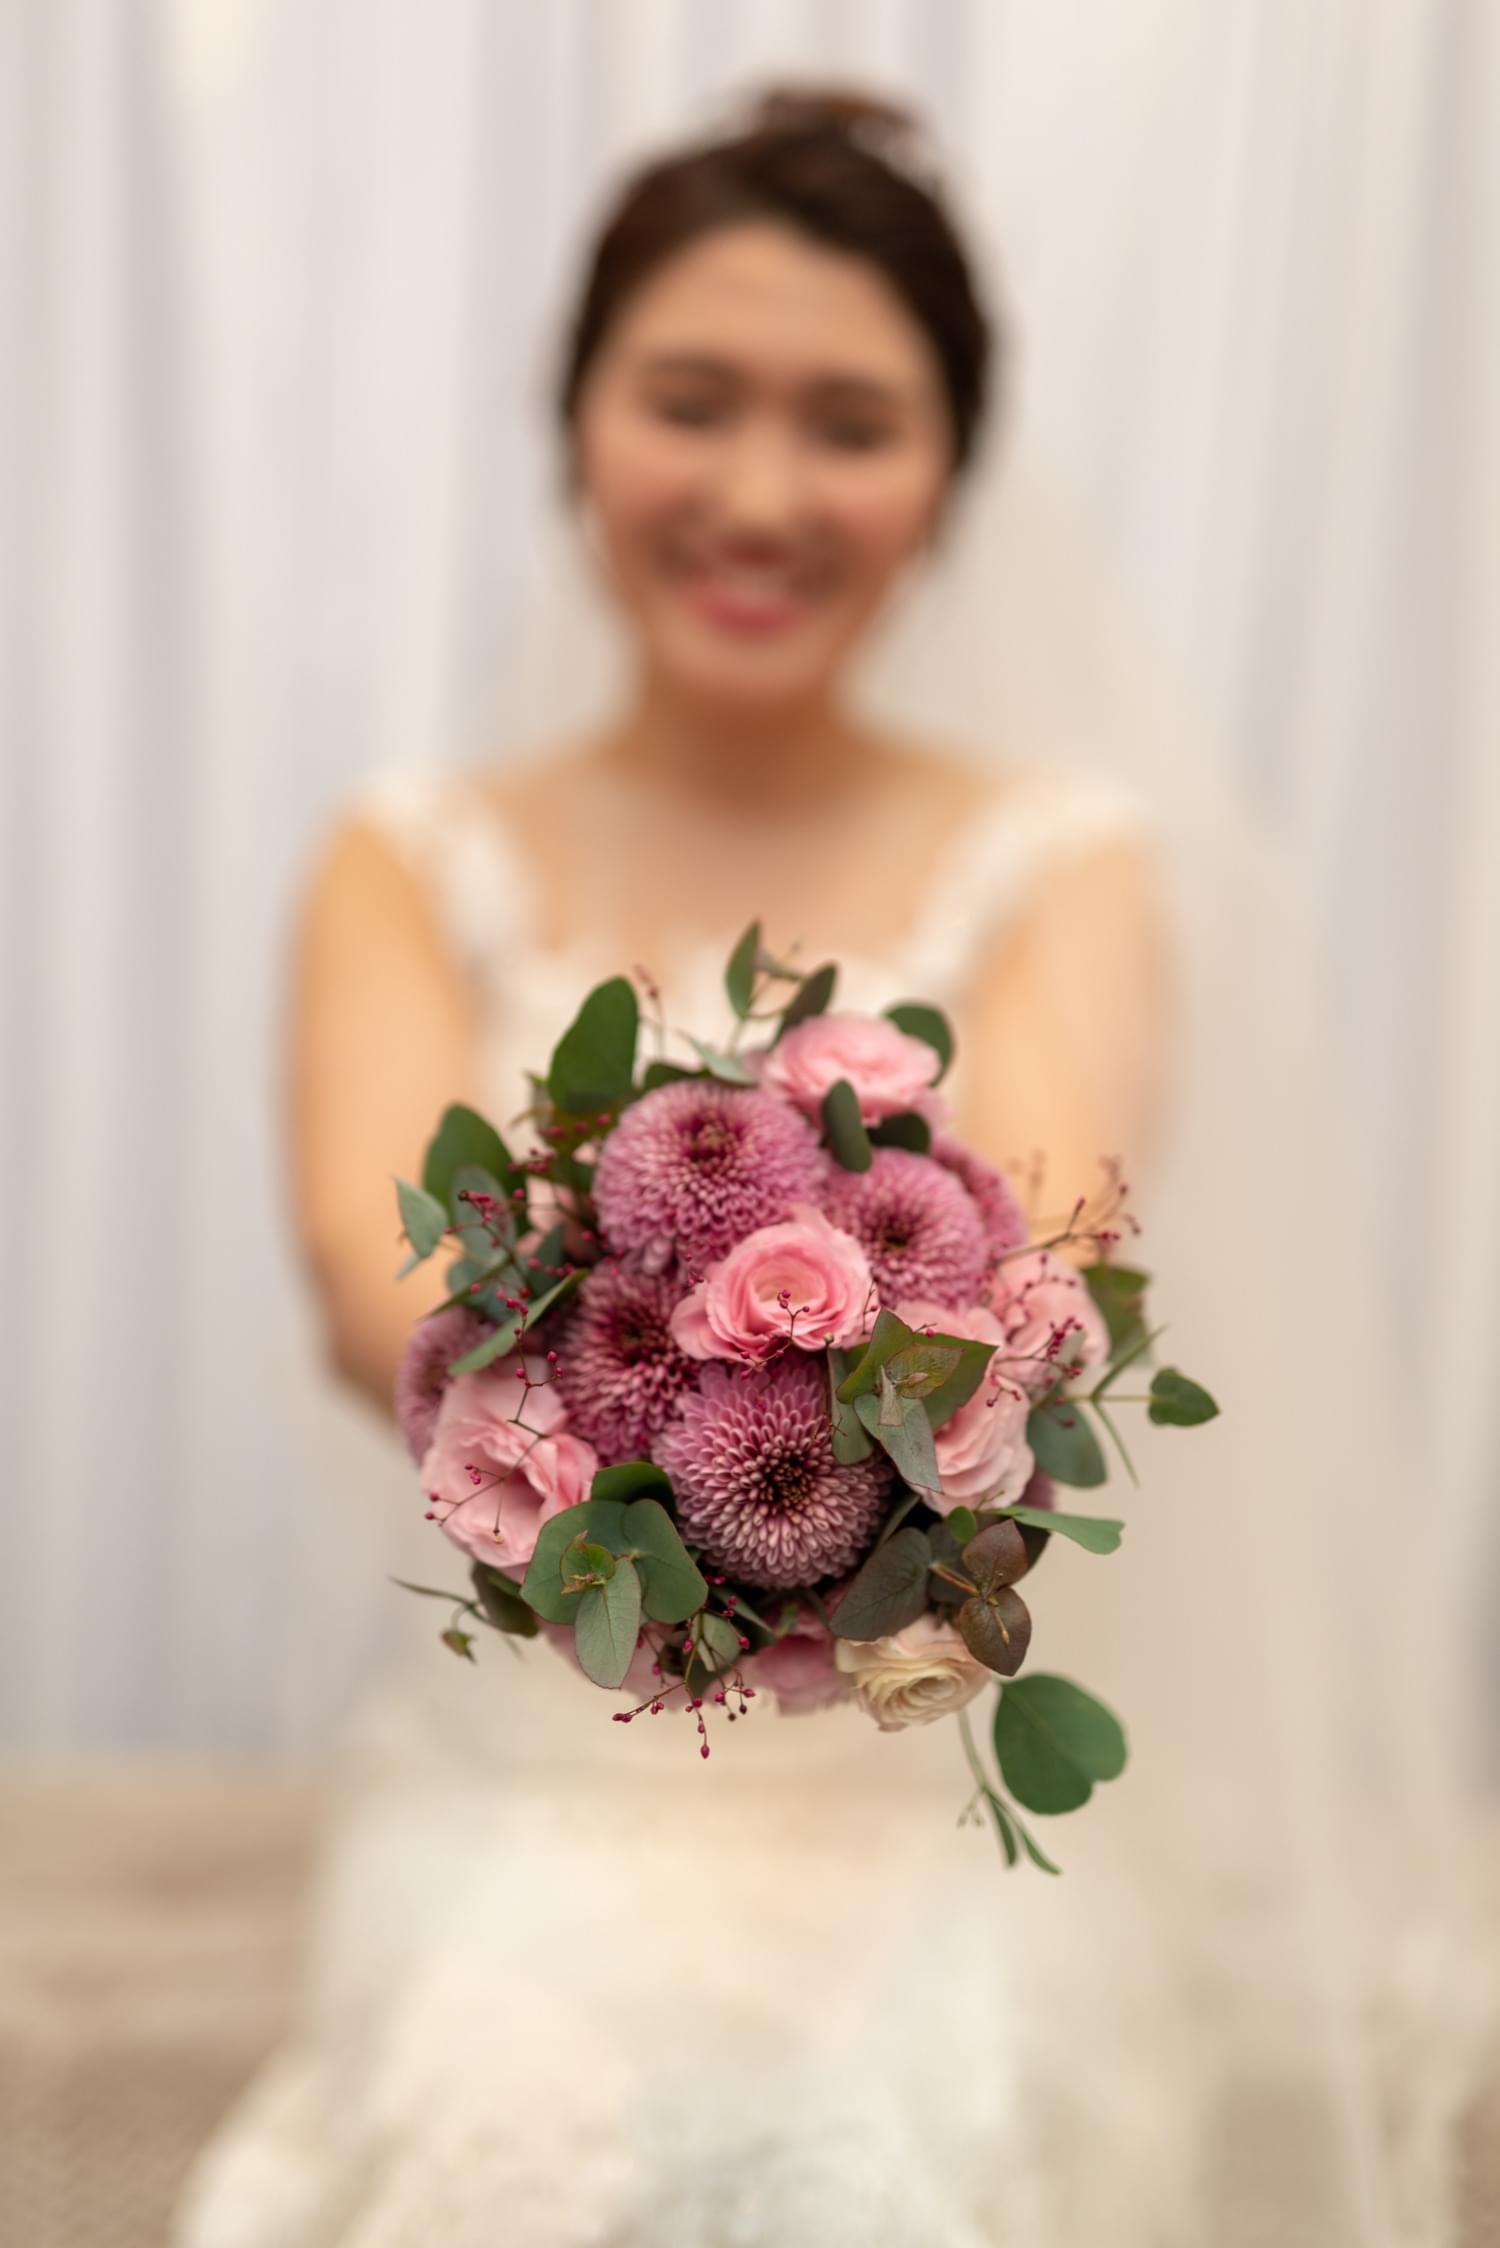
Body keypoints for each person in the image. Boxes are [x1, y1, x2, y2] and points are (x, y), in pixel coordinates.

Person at [174, 88, 1491, 2248]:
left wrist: (766, 1383)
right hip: (532, 1786)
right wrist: (654, 1384)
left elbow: (1014, 1296)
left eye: (851, 424)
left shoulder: (1061, 867)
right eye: (691, 401)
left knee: (892, 2145)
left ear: (948, 477)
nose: (762, 494)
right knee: (505, 2124)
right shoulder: (410, 860)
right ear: (576, 423)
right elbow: (368, 1295)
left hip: (910, 1785)